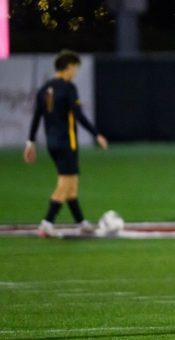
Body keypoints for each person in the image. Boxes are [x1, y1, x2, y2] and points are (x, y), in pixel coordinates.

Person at [24, 49, 108, 238]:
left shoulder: (44, 89)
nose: (76, 72)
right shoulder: (69, 88)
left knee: (72, 184)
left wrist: (30, 142)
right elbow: (78, 115)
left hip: (52, 144)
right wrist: (97, 135)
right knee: (65, 183)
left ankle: (81, 222)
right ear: (68, 67)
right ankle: (47, 222)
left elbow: (37, 117)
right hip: (67, 143)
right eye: (75, 68)